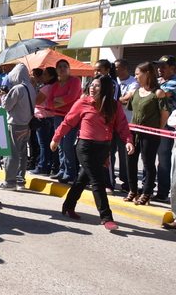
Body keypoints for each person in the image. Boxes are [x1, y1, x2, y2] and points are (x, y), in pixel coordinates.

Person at [52, 75, 134, 230]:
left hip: (104, 147)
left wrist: (128, 141)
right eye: (91, 84)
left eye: (96, 85)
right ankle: (106, 217)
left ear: (105, 88)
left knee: (83, 179)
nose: (91, 87)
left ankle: (68, 205)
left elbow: (122, 125)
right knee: (97, 181)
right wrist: (56, 138)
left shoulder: (114, 105)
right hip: (85, 147)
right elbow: (68, 121)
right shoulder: (83, 102)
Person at [124, 62, 169, 206]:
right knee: (130, 161)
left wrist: (157, 131)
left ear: (147, 73)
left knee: (148, 163)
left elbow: (164, 115)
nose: (135, 77)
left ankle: (146, 193)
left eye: (138, 74)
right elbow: (131, 110)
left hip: (150, 133)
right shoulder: (136, 92)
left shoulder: (158, 93)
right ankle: (133, 190)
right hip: (134, 131)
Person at [0, 63, 36, 190]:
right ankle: (20, 180)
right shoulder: (30, 87)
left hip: (14, 125)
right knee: (22, 154)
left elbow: (6, 106)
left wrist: (4, 95)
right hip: (27, 125)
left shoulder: (17, 89)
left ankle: (10, 182)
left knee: (11, 154)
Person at [46, 59, 81, 184]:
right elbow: (49, 103)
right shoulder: (55, 85)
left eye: (65, 66)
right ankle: (62, 170)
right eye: (60, 67)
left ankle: (70, 173)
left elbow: (72, 98)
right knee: (59, 144)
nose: (62, 69)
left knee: (68, 145)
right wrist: (63, 101)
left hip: (71, 117)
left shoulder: (75, 81)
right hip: (58, 117)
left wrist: (57, 100)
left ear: (69, 68)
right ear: (56, 70)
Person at [154, 55, 176, 202]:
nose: (160, 69)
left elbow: (162, 95)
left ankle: (163, 192)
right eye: (159, 66)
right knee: (152, 158)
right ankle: (151, 188)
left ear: (173, 68)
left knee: (164, 159)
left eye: (163, 67)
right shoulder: (157, 82)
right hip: (153, 125)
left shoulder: (174, 83)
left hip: (168, 126)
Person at [114, 59, 138, 193]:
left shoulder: (133, 83)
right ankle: (109, 180)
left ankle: (126, 183)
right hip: (112, 122)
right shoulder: (113, 81)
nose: (114, 70)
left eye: (116, 67)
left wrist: (112, 101)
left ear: (124, 68)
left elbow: (129, 99)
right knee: (110, 153)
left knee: (125, 155)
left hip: (126, 123)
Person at [31, 67, 58, 176]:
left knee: (43, 144)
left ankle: (43, 166)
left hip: (43, 117)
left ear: (51, 76)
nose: (42, 76)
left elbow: (36, 100)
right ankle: (49, 165)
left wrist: (33, 88)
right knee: (49, 144)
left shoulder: (47, 88)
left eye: (45, 74)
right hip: (51, 117)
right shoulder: (55, 86)